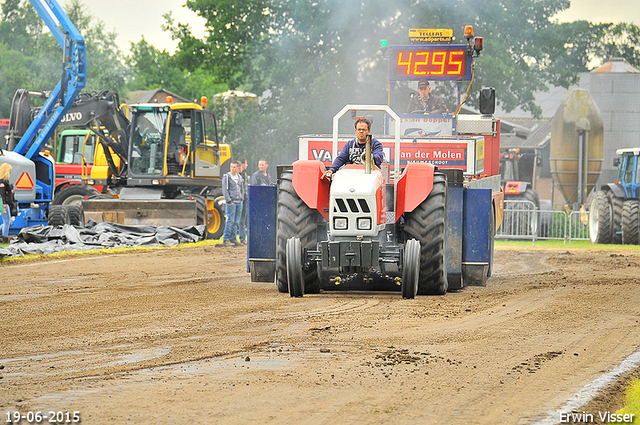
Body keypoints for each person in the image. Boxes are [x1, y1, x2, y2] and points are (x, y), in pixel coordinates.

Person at [221, 161, 244, 247]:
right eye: (231, 167)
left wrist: (241, 199)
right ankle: (226, 239)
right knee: (230, 220)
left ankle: (233, 238)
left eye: (234, 167)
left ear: (238, 168)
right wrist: (229, 201)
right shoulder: (227, 177)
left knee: (236, 222)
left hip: (239, 202)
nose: (232, 169)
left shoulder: (239, 177)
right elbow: (225, 190)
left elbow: (241, 189)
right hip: (232, 202)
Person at [0, 163, 16, 244]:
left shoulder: (6, 181)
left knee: (9, 222)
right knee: (6, 221)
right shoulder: (2, 182)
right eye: (9, 170)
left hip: (6, 203)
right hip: (3, 204)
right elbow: (1, 194)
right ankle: (5, 238)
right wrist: (3, 205)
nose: (10, 172)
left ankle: (3, 235)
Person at [237, 157, 249, 245]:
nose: (247, 165)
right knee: (237, 220)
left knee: (242, 219)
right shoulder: (237, 176)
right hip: (239, 200)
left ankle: (242, 238)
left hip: (244, 199)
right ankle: (236, 238)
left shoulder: (244, 174)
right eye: (246, 163)